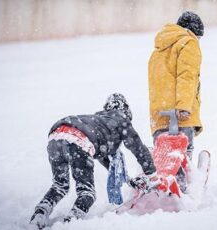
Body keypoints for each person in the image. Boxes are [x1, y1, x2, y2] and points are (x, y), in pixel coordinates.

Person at [30, 93, 157, 229]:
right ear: (126, 111)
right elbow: (138, 148)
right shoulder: (121, 120)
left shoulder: (98, 122)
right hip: (78, 140)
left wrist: (129, 181)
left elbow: (106, 161)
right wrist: (152, 174)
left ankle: (40, 214)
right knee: (87, 193)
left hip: (56, 136)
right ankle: (70, 223)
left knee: (59, 186)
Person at [148, 11, 204, 191]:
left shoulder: (158, 49)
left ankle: (165, 193)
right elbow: (186, 77)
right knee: (182, 158)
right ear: (193, 32)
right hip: (180, 114)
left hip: (158, 115)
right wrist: (183, 106)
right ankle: (183, 193)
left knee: (166, 161)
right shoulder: (188, 42)